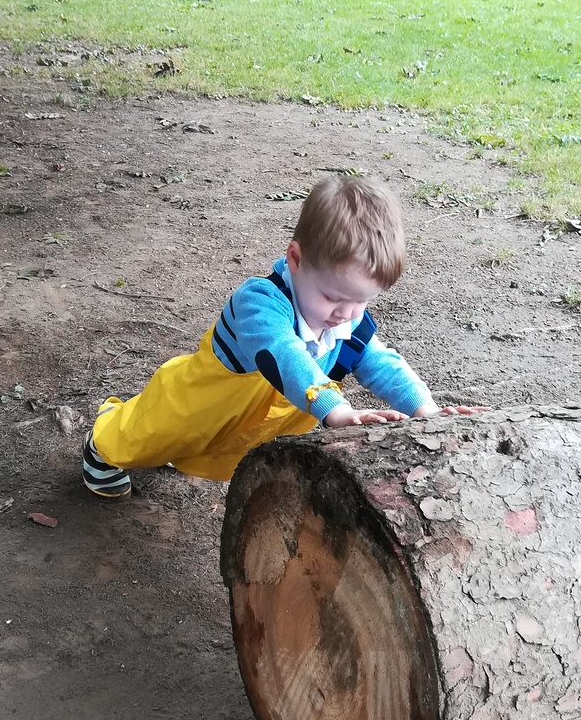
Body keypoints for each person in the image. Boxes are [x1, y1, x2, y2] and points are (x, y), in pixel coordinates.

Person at [82, 174, 480, 496]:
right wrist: (337, 411)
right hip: (202, 399)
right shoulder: (259, 304)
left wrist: (425, 410)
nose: (346, 314)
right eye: (333, 297)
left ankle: (177, 450)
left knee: (209, 447)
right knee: (147, 435)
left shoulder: (346, 319)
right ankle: (101, 444)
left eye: (361, 302)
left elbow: (381, 362)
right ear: (295, 259)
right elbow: (284, 355)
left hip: (251, 422)